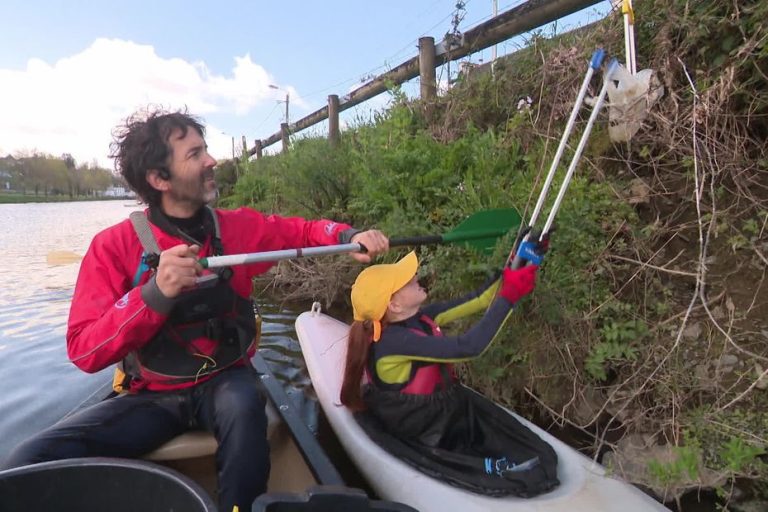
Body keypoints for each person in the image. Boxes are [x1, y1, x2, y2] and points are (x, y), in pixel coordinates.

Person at [1, 107, 389, 512]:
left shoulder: (237, 228)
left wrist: (347, 234)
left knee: (242, 406)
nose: (211, 161)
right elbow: (84, 349)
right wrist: (153, 294)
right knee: (27, 460)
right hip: (152, 398)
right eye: (195, 154)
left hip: (227, 382)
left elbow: (303, 232)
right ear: (159, 179)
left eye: (206, 150)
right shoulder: (113, 247)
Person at [340, 251, 559, 497]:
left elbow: (480, 298)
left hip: (443, 409)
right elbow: (468, 347)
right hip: (420, 424)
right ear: (394, 305)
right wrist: (509, 297)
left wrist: (514, 265)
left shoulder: (422, 318)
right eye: (408, 281)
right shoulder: (393, 343)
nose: (415, 277)